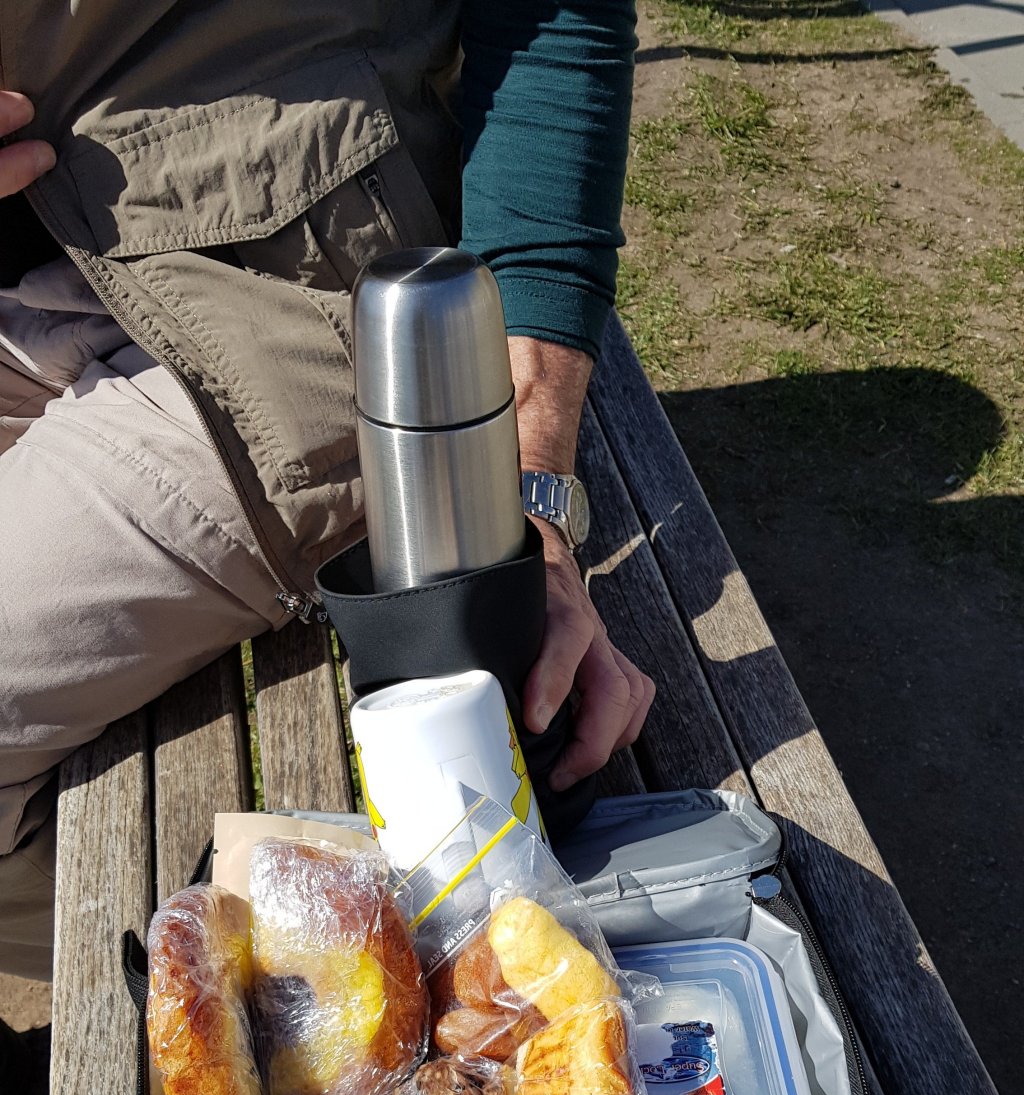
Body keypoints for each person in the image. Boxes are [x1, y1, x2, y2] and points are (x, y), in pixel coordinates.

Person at [0, 1, 655, 983]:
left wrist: (523, 491)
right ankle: (257, 987)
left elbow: (549, 15)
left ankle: (319, 996)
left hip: (261, 292)